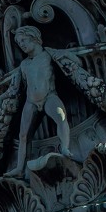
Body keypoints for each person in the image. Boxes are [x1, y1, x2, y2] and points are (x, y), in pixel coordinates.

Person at [10, 25, 71, 174]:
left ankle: (65, 148)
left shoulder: (48, 54)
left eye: (24, 40)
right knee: (23, 135)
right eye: (19, 43)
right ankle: (19, 167)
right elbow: (16, 88)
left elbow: (72, 61)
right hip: (30, 102)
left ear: (34, 38)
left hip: (49, 96)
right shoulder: (24, 64)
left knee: (61, 117)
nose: (22, 45)